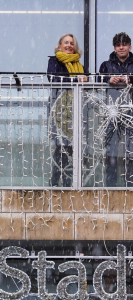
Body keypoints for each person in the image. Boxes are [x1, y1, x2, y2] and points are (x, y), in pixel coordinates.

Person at [98, 32, 133, 186]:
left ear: (129, 46)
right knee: (111, 152)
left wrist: (130, 79)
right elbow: (97, 81)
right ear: (114, 47)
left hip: (131, 114)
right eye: (118, 45)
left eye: (124, 44)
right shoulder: (106, 65)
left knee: (130, 152)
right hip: (111, 114)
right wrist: (108, 79)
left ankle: (129, 186)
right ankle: (110, 185)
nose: (121, 47)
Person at [47, 33, 87, 187]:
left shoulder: (78, 64)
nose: (69, 45)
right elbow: (53, 79)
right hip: (59, 109)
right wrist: (76, 79)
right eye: (66, 43)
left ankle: (70, 182)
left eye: (72, 43)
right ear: (59, 46)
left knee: (72, 147)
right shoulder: (54, 61)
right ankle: (55, 181)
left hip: (75, 110)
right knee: (60, 145)